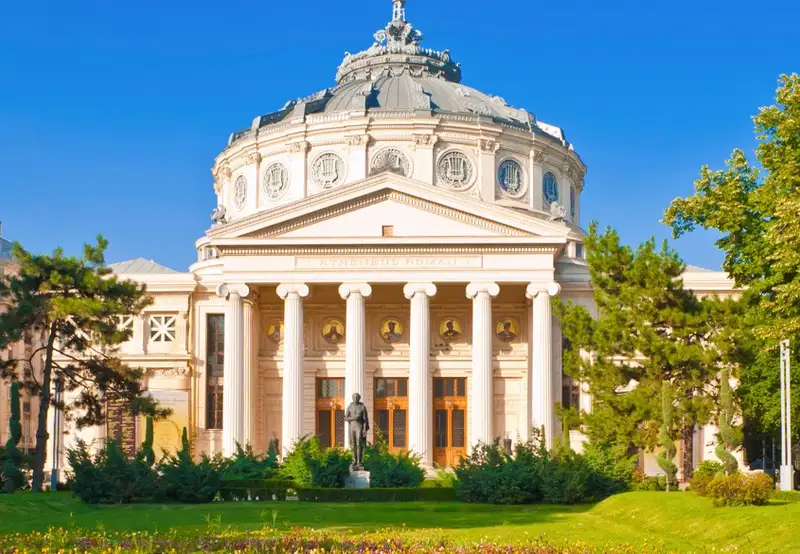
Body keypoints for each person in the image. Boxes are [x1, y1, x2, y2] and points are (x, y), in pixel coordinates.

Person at [345, 393, 370, 470]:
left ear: (359, 398)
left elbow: (365, 419)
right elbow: (345, 418)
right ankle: (354, 460)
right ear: (352, 398)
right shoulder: (349, 407)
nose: (355, 398)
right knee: (353, 443)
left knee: (359, 443)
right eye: (354, 397)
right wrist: (353, 418)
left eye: (357, 397)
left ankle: (359, 461)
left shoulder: (362, 407)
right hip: (352, 426)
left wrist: (364, 429)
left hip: (359, 426)